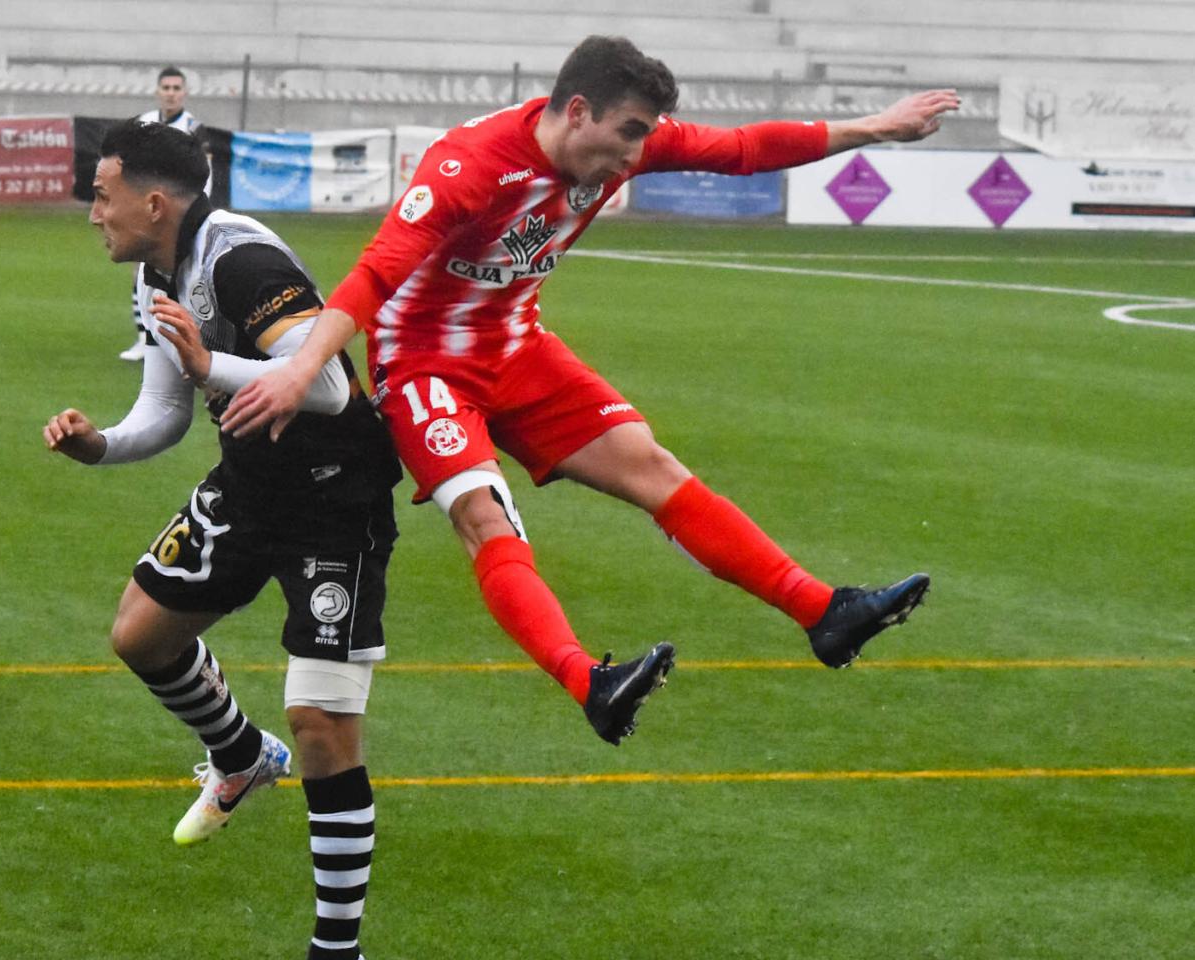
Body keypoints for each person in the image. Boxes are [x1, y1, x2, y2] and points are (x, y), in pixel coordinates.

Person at [222, 35, 956, 744]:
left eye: (646, 136)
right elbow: (376, 273)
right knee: (485, 516)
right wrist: (301, 369)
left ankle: (824, 612)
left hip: (518, 347)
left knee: (653, 466)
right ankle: (589, 683)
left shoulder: (622, 145)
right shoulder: (468, 166)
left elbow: (744, 149)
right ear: (577, 112)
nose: (637, 154)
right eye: (629, 133)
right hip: (424, 365)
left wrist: (876, 128)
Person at [46, 120, 411, 960]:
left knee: (322, 725)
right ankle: (241, 756)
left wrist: (214, 367)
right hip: (251, 483)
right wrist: (98, 442)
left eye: (102, 196)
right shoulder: (155, 271)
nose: (92, 212)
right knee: (140, 633)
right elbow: (166, 413)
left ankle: (336, 948)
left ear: (154, 200)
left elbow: (324, 383)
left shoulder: (241, 260)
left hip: (333, 497)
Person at [121, 66, 204, 362]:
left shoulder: (194, 128)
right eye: (166, 88)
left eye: (176, 88)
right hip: (146, 209)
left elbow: (203, 175)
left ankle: (189, 340)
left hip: (180, 213)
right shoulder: (143, 123)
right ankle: (145, 339)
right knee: (141, 274)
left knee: (185, 277)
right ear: (158, 91)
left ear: (184, 93)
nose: (170, 93)